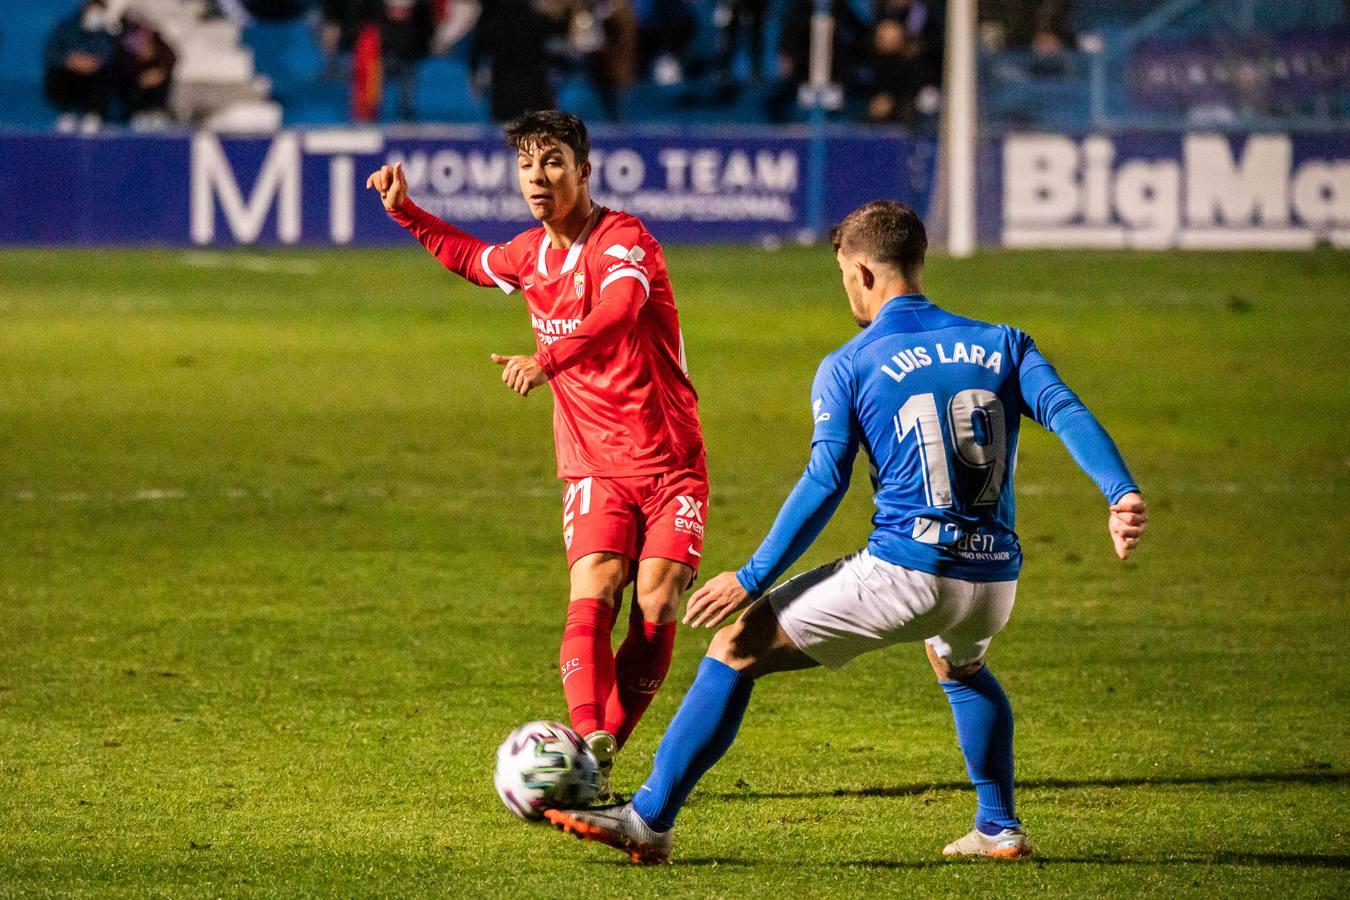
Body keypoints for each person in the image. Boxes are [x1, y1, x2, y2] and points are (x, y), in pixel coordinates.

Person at [542, 200, 1148, 864]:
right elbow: (1064, 410)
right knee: (960, 664)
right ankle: (999, 828)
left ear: (861, 270)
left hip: (909, 568)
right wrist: (1120, 493)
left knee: (737, 644)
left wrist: (749, 579)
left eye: (842, 276)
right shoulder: (1003, 342)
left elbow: (824, 483)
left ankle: (648, 819)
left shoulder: (851, 362)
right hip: (994, 576)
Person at [365, 111, 708, 797]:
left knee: (658, 599)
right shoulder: (528, 254)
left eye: (552, 162)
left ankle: (605, 740)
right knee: (596, 584)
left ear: (584, 171)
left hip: (668, 456)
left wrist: (547, 359)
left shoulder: (623, 241)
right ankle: (586, 743)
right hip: (591, 463)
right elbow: (472, 260)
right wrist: (409, 213)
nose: (537, 177)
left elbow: (617, 312)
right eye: (526, 165)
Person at [44, 0, 119, 132]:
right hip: (69, 75)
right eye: (93, 9)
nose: (95, 14)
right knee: (57, 73)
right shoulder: (65, 27)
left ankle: (93, 115)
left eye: (99, 11)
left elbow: (108, 54)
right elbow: (52, 52)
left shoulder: (106, 32)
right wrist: (70, 61)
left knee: (105, 75)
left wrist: (93, 63)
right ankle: (67, 113)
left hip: (93, 77)